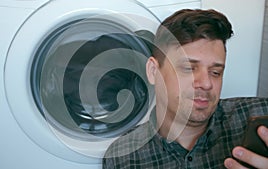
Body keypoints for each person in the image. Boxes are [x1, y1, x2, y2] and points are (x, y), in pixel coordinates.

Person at [102, 9, 268, 168]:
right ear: (153, 71)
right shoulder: (122, 157)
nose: (207, 83)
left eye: (216, 72)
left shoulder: (259, 114)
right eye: (188, 68)